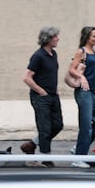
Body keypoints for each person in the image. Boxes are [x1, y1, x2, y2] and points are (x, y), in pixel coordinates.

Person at [22, 26, 64, 154]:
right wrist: (41, 91)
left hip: (53, 96)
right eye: (55, 36)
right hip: (40, 98)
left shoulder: (53, 54)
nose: (58, 38)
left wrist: (55, 89)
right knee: (45, 129)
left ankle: (32, 144)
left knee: (57, 125)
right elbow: (26, 77)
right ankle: (46, 158)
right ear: (48, 39)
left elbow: (50, 74)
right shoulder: (38, 56)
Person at [68, 26, 95, 155]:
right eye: (94, 36)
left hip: (92, 92)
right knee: (86, 127)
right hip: (83, 92)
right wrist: (81, 77)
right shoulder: (81, 51)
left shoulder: (93, 51)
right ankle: (78, 158)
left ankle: (79, 148)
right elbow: (71, 69)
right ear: (87, 37)